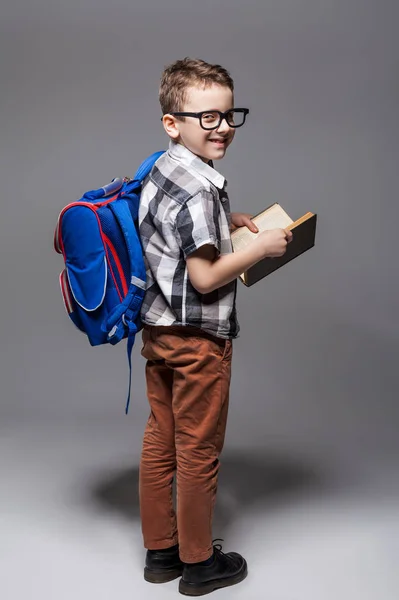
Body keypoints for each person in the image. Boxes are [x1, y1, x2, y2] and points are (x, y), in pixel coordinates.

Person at [138, 57, 292, 596]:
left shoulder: (163, 167)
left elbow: (167, 234)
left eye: (228, 115)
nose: (222, 126)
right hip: (199, 340)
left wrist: (228, 224)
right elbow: (204, 278)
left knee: (162, 440)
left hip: (158, 332)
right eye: (206, 117)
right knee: (197, 450)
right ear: (172, 121)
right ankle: (200, 564)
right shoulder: (202, 188)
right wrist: (260, 250)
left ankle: (161, 553)